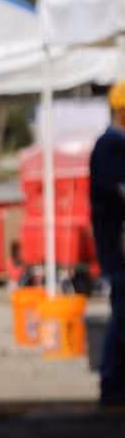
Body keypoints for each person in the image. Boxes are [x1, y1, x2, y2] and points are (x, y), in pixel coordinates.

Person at [91, 80, 125, 406]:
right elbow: (117, 191)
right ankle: (111, 382)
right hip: (116, 248)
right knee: (123, 312)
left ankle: (115, 382)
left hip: (116, 244)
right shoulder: (110, 146)